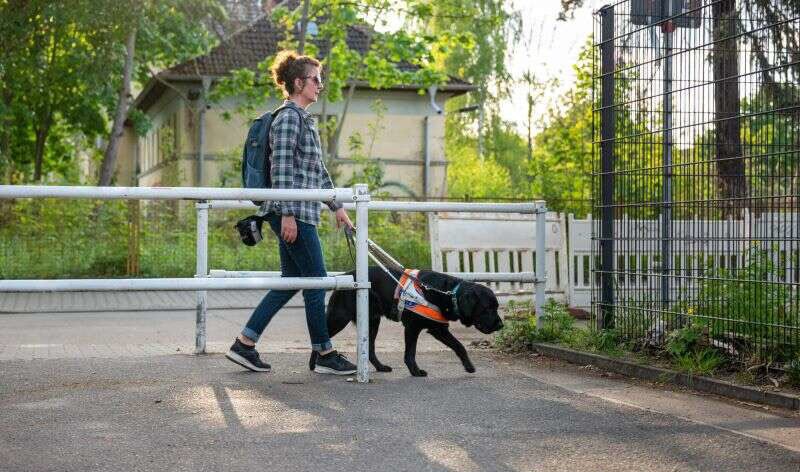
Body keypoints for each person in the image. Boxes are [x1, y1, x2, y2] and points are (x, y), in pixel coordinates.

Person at [226, 50, 357, 375]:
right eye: (316, 79)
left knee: (290, 282)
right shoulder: (287, 118)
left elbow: (316, 170)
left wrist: (336, 206)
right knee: (316, 281)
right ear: (299, 83)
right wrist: (285, 213)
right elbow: (280, 166)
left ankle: (245, 343)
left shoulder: (303, 120)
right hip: (292, 212)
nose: (320, 85)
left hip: (301, 211)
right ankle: (324, 353)